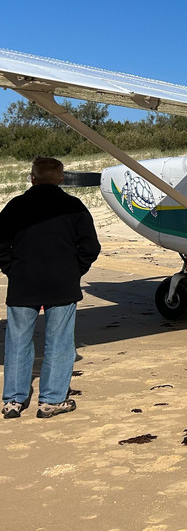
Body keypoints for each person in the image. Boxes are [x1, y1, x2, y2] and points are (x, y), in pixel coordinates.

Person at [1, 156, 100, 419]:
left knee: (18, 341)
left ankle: (13, 400)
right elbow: (90, 247)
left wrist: (11, 268)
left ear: (32, 178)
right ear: (61, 178)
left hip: (23, 282)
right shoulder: (73, 205)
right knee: (59, 342)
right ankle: (51, 400)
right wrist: (75, 271)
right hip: (61, 283)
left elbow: (0, 244)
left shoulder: (16, 205)